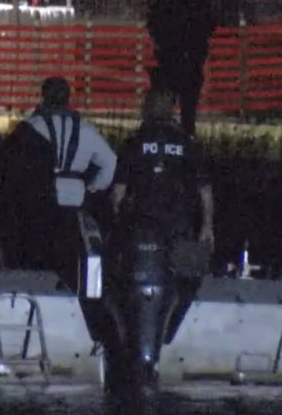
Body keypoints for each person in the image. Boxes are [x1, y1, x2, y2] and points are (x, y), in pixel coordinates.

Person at [107, 88, 214, 388]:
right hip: (178, 232)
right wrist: (207, 227)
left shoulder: (134, 143)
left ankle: (130, 344)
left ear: (147, 108)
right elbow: (204, 192)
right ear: (174, 109)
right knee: (185, 282)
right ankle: (165, 335)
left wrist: (116, 224)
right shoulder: (187, 143)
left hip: (139, 230)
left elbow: (118, 194)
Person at [0, 76, 117, 285]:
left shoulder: (32, 126)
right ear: (68, 97)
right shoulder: (85, 129)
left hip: (40, 200)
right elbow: (111, 162)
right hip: (77, 200)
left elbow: (9, 165)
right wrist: (93, 187)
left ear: (43, 95)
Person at [134, 0, 216, 137]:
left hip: (168, 64)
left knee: (160, 109)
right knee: (188, 114)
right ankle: (188, 145)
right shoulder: (199, 0)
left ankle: (155, 140)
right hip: (192, 65)